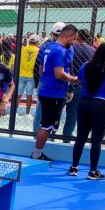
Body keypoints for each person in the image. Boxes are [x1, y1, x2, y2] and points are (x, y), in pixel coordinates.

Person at [68, 43, 105, 180]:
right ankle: (92, 171)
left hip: (85, 103)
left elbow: (79, 81)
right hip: (102, 105)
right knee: (96, 140)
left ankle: (74, 167)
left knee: (80, 137)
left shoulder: (86, 65)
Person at [30, 24, 80, 162]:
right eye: (74, 39)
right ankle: (36, 154)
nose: (74, 42)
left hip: (48, 90)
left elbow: (41, 70)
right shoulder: (60, 51)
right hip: (54, 93)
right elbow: (59, 74)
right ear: (68, 36)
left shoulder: (48, 47)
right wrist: (75, 80)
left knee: (46, 124)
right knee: (46, 125)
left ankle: (37, 153)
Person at [64, 29, 96, 140]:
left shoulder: (70, 49)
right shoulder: (93, 51)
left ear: (77, 37)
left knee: (57, 110)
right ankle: (67, 136)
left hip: (67, 82)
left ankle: (53, 134)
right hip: (83, 85)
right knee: (73, 113)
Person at [18, 36, 41, 117]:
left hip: (21, 73)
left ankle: (15, 112)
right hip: (31, 75)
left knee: (18, 94)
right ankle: (27, 114)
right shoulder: (38, 50)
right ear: (37, 42)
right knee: (29, 95)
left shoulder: (22, 49)